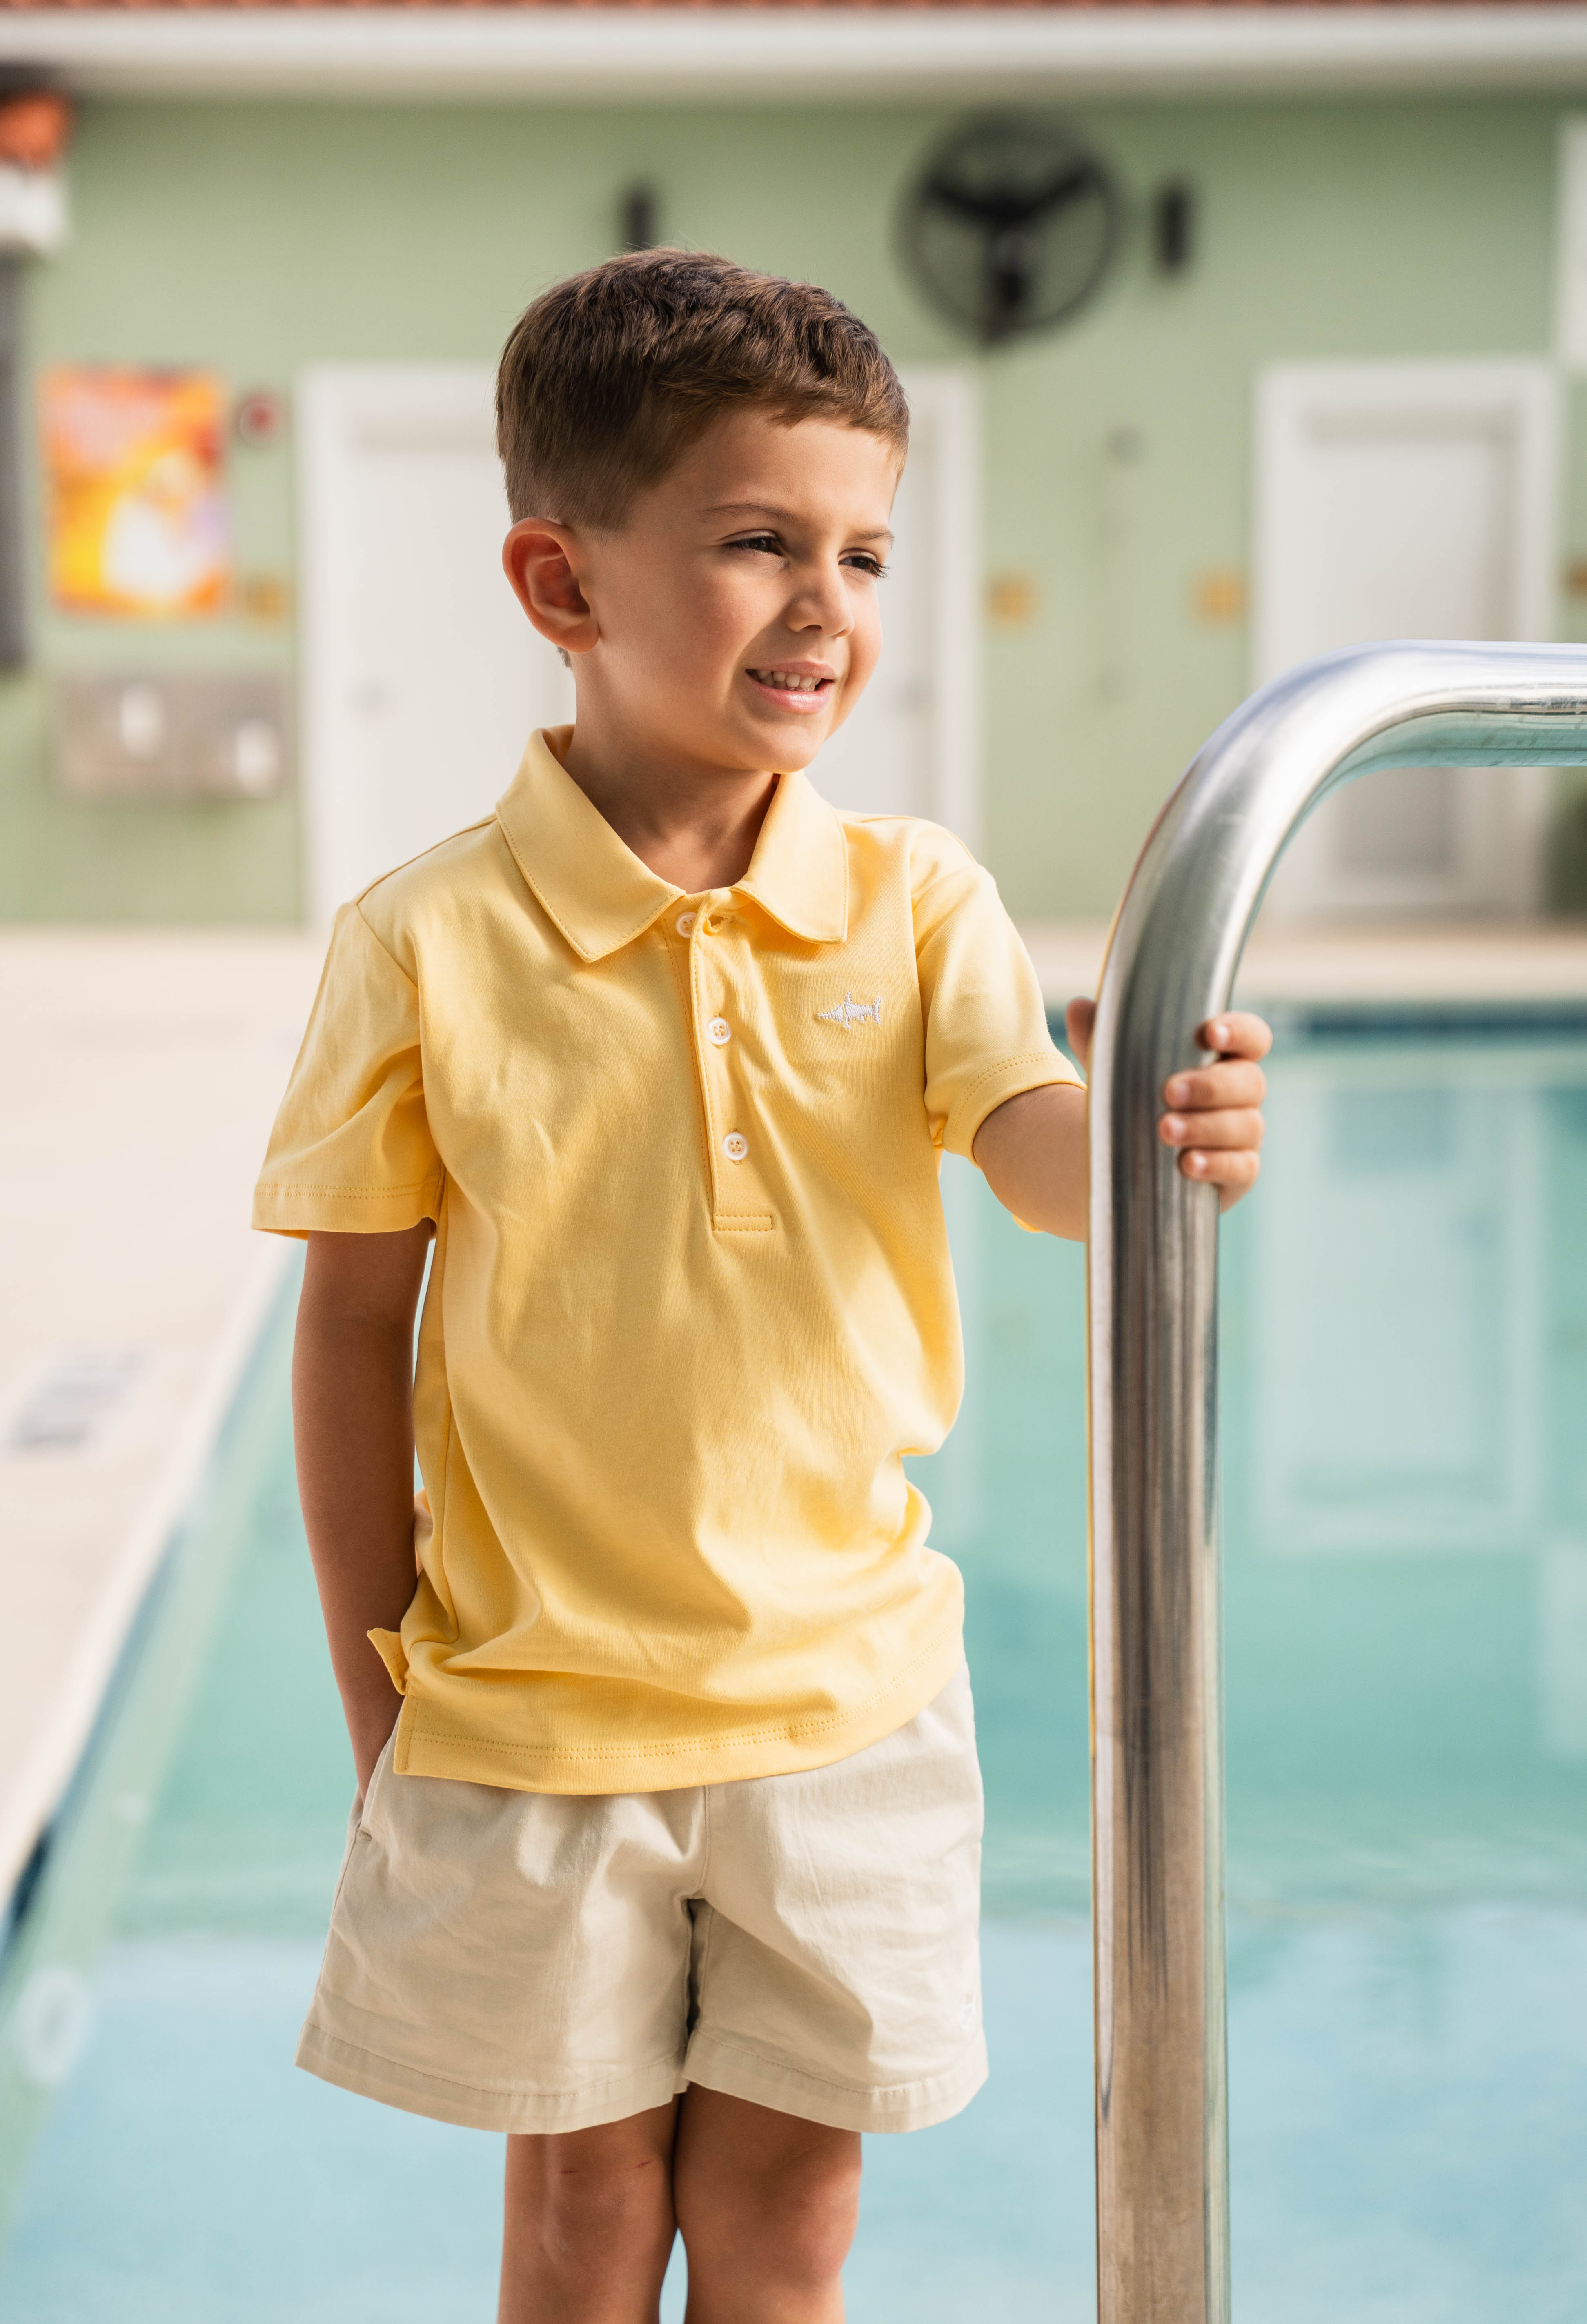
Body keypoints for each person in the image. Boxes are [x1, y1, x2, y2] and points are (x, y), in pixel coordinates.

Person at [254, 250, 1269, 2324]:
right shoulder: (424, 941)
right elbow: (355, 1325)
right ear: (562, 584)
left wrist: (1169, 1134)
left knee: (796, 2223)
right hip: (541, 1718)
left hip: (846, 1706)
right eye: (757, 543)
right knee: (582, 2221)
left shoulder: (917, 904)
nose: (831, 606)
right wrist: (380, 1695)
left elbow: (1037, 1156)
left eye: (866, 552)